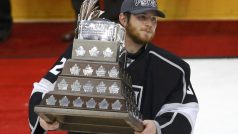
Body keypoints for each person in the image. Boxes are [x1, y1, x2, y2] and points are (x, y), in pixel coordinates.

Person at [28, 0, 199, 133]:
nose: (149, 24)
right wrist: (44, 119)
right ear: (123, 19)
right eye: (142, 17)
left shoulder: (173, 68)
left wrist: (157, 127)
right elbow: (42, 89)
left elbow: (185, 110)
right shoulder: (84, 50)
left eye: (153, 19)